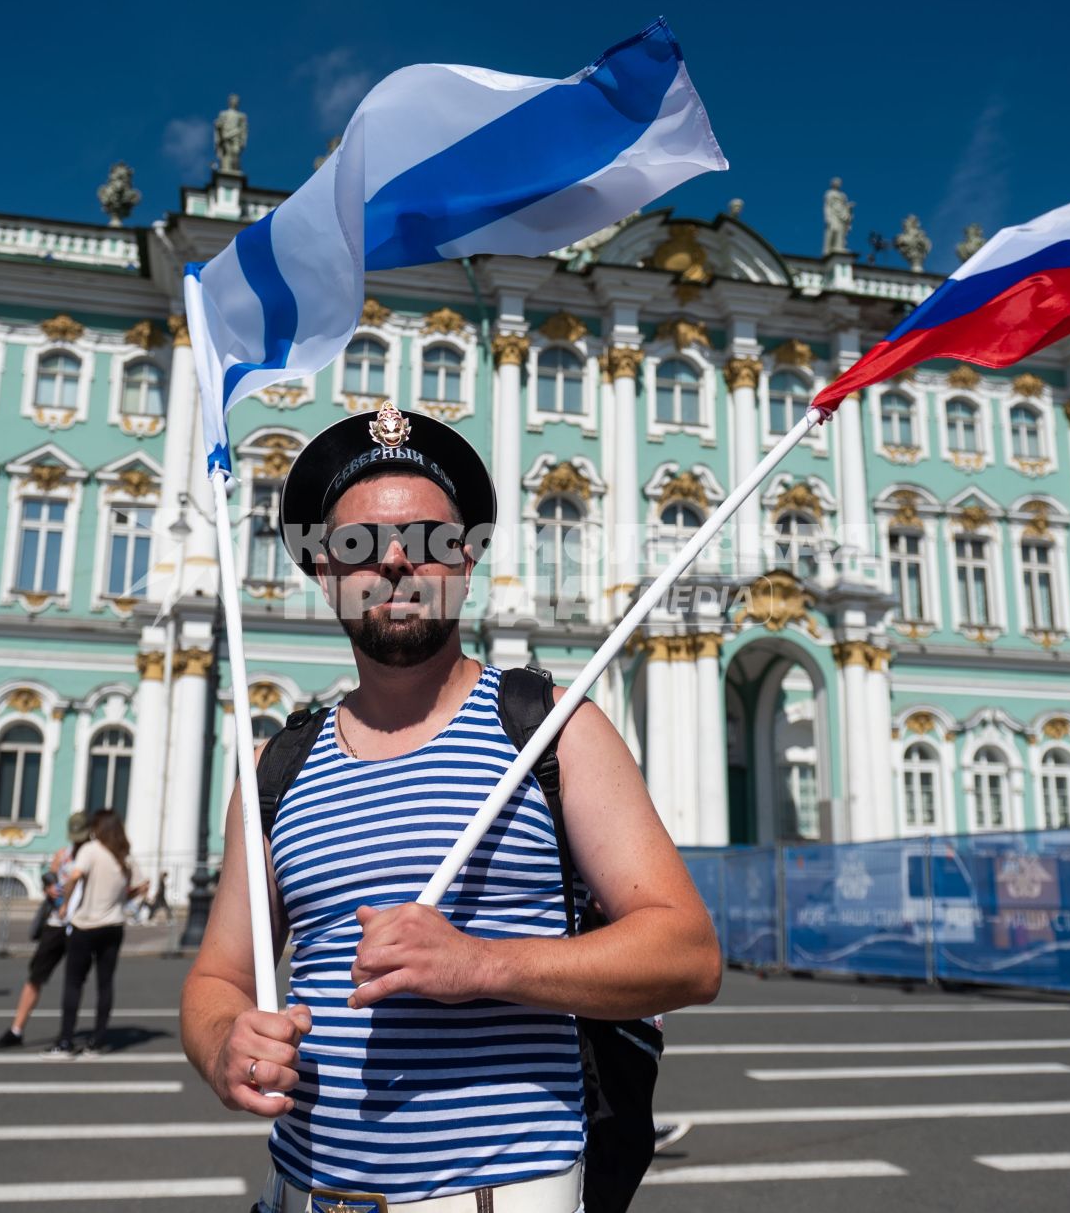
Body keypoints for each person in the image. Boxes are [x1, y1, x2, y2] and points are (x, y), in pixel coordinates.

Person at [180, 403, 720, 1211]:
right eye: (360, 543)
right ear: (325, 570)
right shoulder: (274, 768)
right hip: (300, 1194)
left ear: (465, 562)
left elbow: (687, 952)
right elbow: (219, 973)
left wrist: (484, 963)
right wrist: (224, 1041)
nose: (396, 561)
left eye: (429, 540)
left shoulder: (552, 732)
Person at [43, 810, 145, 1059]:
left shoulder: (91, 850)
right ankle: (97, 1041)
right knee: (105, 983)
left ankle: (66, 1040)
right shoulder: (124, 856)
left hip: (85, 925)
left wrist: (66, 903)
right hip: (113, 925)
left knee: (74, 983)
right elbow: (142, 886)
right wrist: (121, 900)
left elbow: (75, 877)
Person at [0, 813, 90, 1051]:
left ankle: (67, 1034)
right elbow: (50, 876)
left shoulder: (92, 856)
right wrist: (49, 887)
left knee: (73, 982)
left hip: (81, 924)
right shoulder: (63, 854)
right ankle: (17, 1029)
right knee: (36, 976)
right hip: (56, 923)